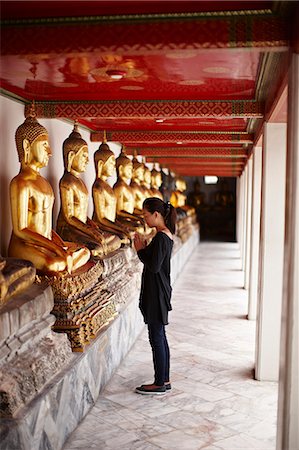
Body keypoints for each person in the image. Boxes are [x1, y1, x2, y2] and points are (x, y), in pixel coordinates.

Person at [134, 197, 177, 395]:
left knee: (157, 337)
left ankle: (160, 382)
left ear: (156, 215)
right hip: (159, 291)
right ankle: (164, 380)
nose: (145, 219)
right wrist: (144, 249)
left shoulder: (161, 237)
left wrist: (140, 250)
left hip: (157, 293)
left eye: (146, 215)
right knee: (159, 337)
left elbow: (153, 266)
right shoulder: (163, 236)